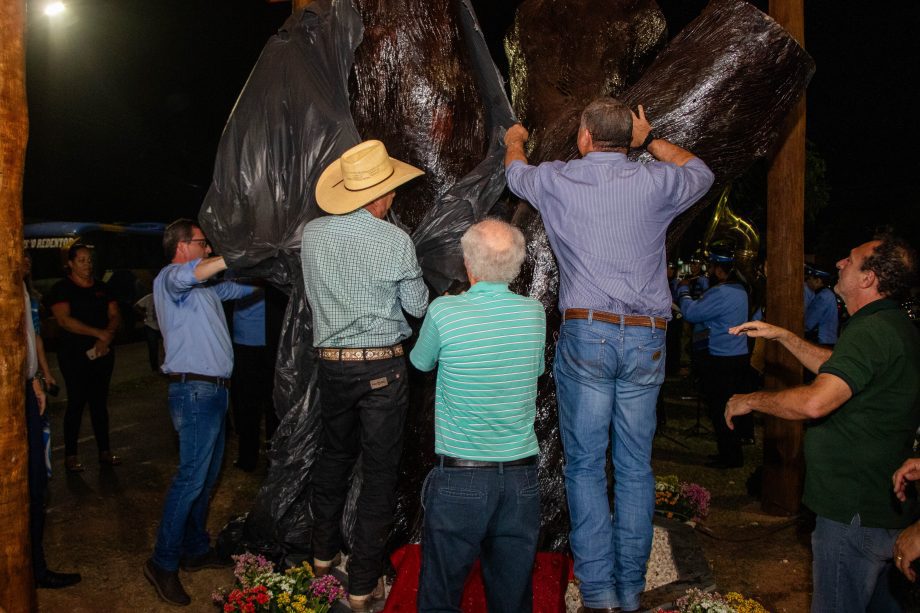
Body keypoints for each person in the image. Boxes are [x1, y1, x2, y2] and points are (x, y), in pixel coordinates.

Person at [504, 97, 715, 613]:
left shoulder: (557, 180)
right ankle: (630, 588)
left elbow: (514, 174)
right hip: (646, 338)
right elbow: (702, 173)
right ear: (628, 138)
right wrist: (653, 142)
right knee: (636, 467)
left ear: (583, 137)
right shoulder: (655, 181)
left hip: (588, 335)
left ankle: (598, 593)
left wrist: (514, 138)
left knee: (583, 467)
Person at [725, 233, 920, 613]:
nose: (839, 264)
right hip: (885, 508)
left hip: (853, 512)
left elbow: (816, 402)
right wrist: (783, 337)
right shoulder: (892, 326)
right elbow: (840, 371)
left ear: (869, 278)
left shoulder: (870, 331)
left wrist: (750, 400)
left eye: (850, 259)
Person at [302, 140, 428, 612]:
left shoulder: (312, 235)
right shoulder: (395, 241)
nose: (393, 198)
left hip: (331, 366)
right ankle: (361, 583)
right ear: (381, 195)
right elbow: (417, 308)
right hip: (381, 368)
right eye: (392, 190)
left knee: (334, 456)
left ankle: (321, 556)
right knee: (378, 473)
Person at [411, 219, 546, 612]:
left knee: (440, 594)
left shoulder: (444, 311)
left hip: (461, 477)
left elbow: (420, 364)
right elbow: (534, 370)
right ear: (517, 266)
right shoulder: (533, 313)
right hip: (521, 479)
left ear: (468, 263)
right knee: (512, 598)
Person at [144, 219, 254, 607]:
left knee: (206, 479)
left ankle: (193, 549)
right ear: (181, 246)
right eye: (202, 243)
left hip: (212, 392)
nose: (207, 249)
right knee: (190, 479)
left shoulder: (203, 288)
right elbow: (203, 270)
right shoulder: (171, 277)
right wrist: (237, 253)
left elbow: (241, 287)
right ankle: (162, 563)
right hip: (193, 391)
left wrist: (271, 266)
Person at [22, 279, 82, 589]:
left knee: (36, 486)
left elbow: (28, 336)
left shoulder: (17, 283)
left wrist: (34, 376)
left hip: (24, 390)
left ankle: (34, 567)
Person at [48, 243, 122, 472]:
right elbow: (64, 320)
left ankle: (105, 451)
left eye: (89, 260)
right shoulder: (62, 289)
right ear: (70, 263)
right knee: (77, 402)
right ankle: (70, 455)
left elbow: (114, 314)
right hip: (73, 356)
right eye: (81, 260)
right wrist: (97, 333)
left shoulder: (102, 287)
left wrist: (106, 337)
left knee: (99, 403)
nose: (87, 264)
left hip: (102, 352)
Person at [678, 253, 752, 468]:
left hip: (721, 359)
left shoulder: (721, 292)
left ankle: (729, 457)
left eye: (711, 269)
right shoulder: (741, 290)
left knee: (720, 409)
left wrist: (683, 291)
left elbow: (692, 313)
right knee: (732, 408)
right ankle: (732, 453)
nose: (709, 273)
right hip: (738, 356)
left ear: (720, 270)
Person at [229, 288, 276, 472]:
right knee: (250, 404)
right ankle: (249, 458)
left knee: (269, 404)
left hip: (267, 339)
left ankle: (269, 459)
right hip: (247, 341)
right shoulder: (239, 265)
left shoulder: (244, 264)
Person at [804, 264, 839, 347]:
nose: (807, 281)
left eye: (810, 279)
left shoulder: (823, 297)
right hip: (828, 339)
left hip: (823, 340)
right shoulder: (826, 294)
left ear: (818, 281)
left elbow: (809, 322)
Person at [134, 292, 162, 372]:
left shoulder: (164, 296)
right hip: (150, 325)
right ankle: (155, 368)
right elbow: (136, 306)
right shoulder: (150, 297)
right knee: (153, 347)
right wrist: (144, 315)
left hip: (162, 325)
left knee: (165, 347)